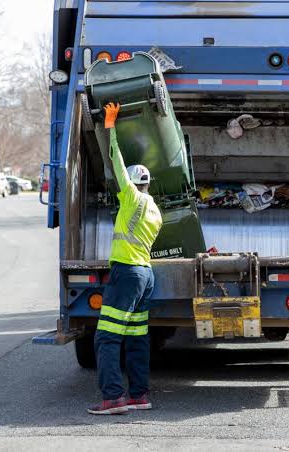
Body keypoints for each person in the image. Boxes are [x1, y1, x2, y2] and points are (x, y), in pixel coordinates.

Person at [88, 102, 163, 415]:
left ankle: (113, 398)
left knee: (106, 337)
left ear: (134, 184)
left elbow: (115, 162)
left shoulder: (131, 198)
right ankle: (139, 395)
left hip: (128, 274)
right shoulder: (157, 212)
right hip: (146, 276)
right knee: (137, 339)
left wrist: (110, 127)